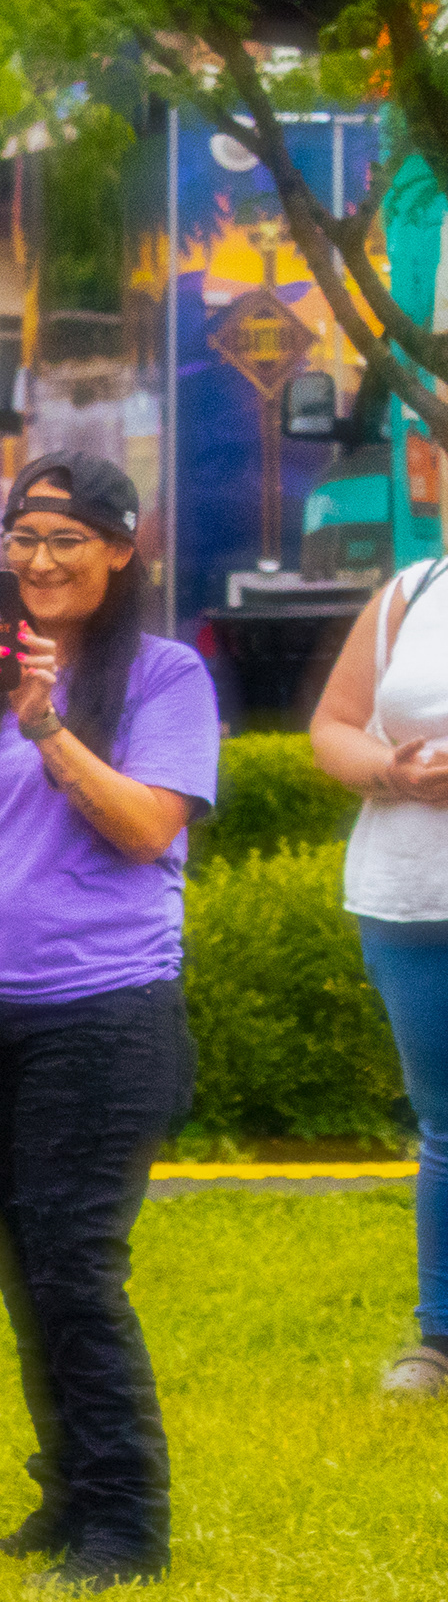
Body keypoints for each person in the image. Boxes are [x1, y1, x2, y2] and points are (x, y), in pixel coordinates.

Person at [0, 452, 217, 1593]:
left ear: (122, 551)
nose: (40, 562)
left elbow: (144, 828)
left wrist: (48, 725)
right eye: (23, 539)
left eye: (69, 540)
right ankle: (67, 1500)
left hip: (103, 1013)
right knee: (26, 1262)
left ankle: (129, 1527)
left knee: (75, 1264)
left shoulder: (165, 679)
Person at [305, 552, 448, 1399]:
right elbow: (334, 726)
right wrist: (391, 773)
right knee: (447, 1129)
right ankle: (440, 1343)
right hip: (415, 901)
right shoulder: (415, 589)